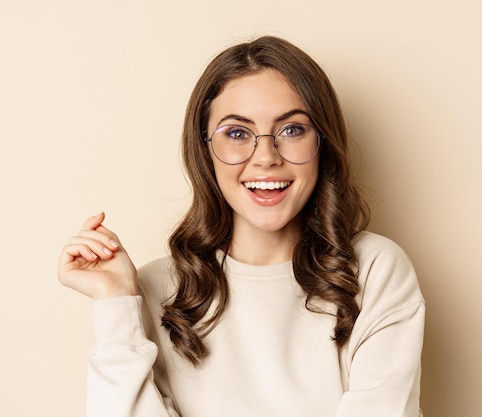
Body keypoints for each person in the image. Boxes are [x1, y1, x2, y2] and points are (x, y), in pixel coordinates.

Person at [58, 36, 425, 417]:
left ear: (323, 142)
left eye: (292, 130)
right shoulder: (153, 289)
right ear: (204, 150)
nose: (266, 157)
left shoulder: (375, 269)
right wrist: (116, 303)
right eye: (236, 133)